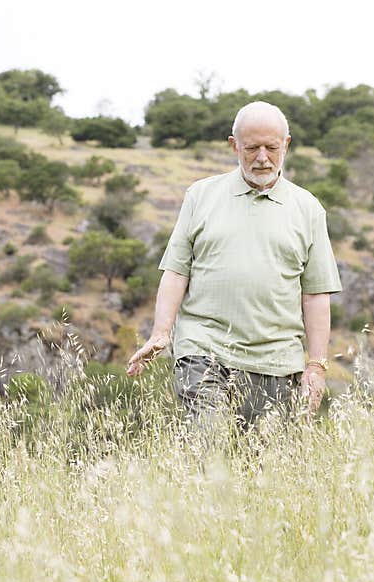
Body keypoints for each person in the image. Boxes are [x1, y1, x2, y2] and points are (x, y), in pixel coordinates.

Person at [126, 101, 342, 431]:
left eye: (271, 147)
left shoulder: (309, 209)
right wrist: (161, 332)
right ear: (233, 146)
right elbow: (176, 270)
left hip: (276, 360)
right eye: (251, 148)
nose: (262, 158)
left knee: (258, 467)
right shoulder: (200, 196)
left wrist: (316, 365)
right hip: (203, 347)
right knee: (206, 449)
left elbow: (315, 295)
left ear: (286, 144)